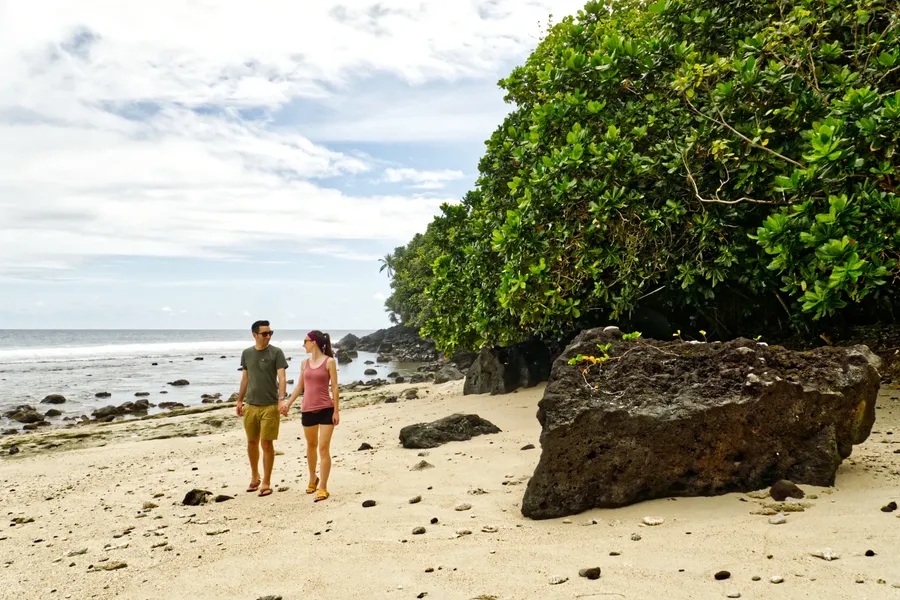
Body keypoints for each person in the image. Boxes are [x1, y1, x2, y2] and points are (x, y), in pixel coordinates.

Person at [283, 330, 339, 502]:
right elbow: (300, 386)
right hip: (307, 409)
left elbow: (335, 387)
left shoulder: (330, 362)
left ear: (313, 342)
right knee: (311, 445)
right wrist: (288, 403)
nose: (303, 344)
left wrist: (336, 410)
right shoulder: (304, 363)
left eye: (305, 341)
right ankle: (312, 478)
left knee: (323, 448)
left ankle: (323, 487)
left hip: (326, 410)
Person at [236, 320, 288, 497]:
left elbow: (282, 378)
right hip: (250, 405)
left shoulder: (276, 352)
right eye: (265, 333)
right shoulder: (247, 354)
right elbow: (245, 378)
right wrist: (239, 400)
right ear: (254, 335)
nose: (268, 336)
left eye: (270, 333)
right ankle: (254, 476)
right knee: (251, 442)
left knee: (267, 444)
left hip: (270, 406)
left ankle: (266, 481)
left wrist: (282, 399)